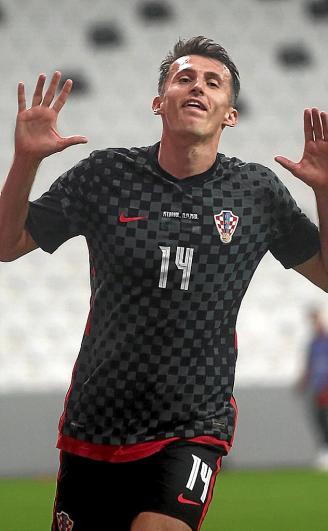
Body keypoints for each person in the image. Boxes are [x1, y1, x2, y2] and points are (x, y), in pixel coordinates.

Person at [0, 35, 328, 531]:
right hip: (97, 421)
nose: (197, 87)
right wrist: (26, 161)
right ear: (159, 102)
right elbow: (7, 244)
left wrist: (325, 192)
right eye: (184, 78)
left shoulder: (256, 193)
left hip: (193, 424)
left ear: (230, 114)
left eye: (212, 82)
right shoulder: (107, 175)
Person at [298, 308, 328, 470]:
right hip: (317, 388)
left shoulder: (325, 341)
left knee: (324, 419)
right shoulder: (313, 343)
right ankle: (324, 450)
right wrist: (303, 381)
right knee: (319, 419)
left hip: (325, 388)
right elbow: (310, 365)